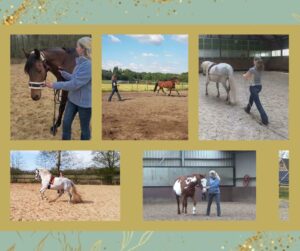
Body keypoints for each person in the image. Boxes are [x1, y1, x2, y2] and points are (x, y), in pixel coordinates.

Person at [45, 36, 92, 140]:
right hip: (72, 100)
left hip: (85, 104)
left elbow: (74, 84)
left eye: (78, 47)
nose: (76, 48)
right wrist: (62, 72)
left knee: (84, 129)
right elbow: (74, 78)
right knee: (66, 123)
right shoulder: (79, 62)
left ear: (83, 49)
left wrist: (54, 85)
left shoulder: (89, 65)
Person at [243, 56, 269, 125]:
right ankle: (248, 109)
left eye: (253, 60)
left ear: (255, 61)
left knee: (258, 104)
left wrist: (244, 75)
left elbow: (246, 77)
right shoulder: (261, 68)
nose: (253, 61)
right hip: (259, 87)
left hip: (253, 87)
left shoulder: (252, 69)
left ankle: (265, 119)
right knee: (252, 98)